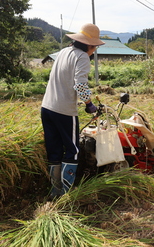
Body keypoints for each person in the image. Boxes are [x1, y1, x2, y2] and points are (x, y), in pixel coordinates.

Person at [41, 23, 105, 199]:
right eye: (95, 48)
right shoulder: (82, 57)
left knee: (54, 149)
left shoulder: (63, 52)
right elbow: (80, 84)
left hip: (47, 107)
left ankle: (55, 192)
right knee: (73, 150)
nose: (94, 51)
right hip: (64, 111)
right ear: (89, 45)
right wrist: (89, 104)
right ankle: (67, 194)